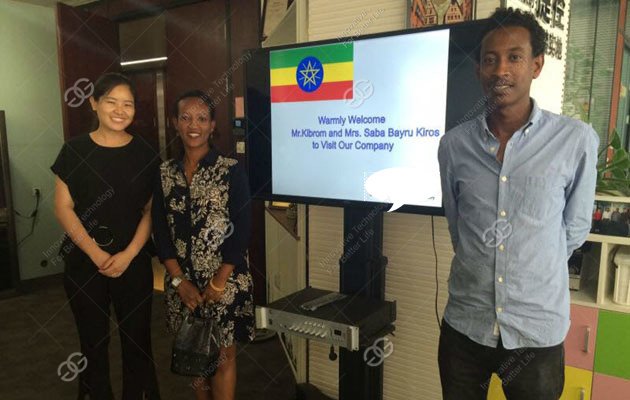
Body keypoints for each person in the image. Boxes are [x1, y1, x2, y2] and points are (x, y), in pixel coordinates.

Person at [437, 8, 598, 400]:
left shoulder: (575, 141)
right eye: (490, 59)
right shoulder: (454, 145)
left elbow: (574, 231)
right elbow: (458, 226)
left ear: (537, 65)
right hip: (465, 327)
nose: (500, 70)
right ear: (477, 69)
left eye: (514, 57)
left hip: (535, 334)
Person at [52, 73, 161, 399]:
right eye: (111, 101)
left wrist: (128, 255)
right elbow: (63, 208)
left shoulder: (145, 152)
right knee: (92, 342)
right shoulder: (74, 149)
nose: (119, 110)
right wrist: (96, 254)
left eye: (127, 104)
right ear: (94, 103)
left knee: (137, 340)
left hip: (134, 261)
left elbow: (152, 211)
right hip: (85, 264)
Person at [152, 90, 254, 400]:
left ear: (211, 126)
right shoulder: (164, 173)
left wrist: (220, 280)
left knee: (222, 358)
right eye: (185, 118)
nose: (193, 125)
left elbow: (243, 227)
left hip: (224, 281)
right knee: (196, 357)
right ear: (175, 123)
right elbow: (160, 230)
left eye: (201, 118)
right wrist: (179, 281)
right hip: (182, 284)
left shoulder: (230, 170)